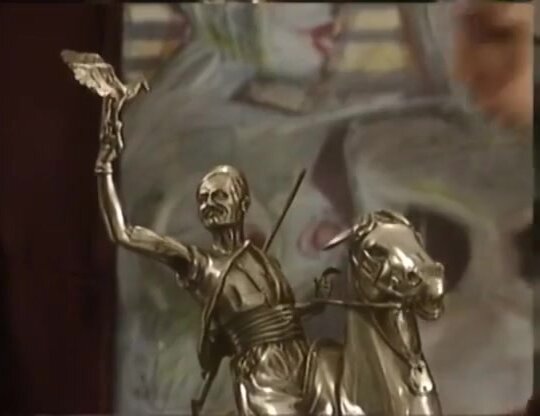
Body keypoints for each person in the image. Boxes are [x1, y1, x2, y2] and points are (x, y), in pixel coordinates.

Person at [94, 120, 309, 416]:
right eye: (203, 199)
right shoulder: (199, 265)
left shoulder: (264, 260)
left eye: (219, 195)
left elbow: (281, 317)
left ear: (243, 203)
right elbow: (124, 234)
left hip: (303, 363)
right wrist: (104, 168)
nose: (209, 204)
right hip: (262, 379)